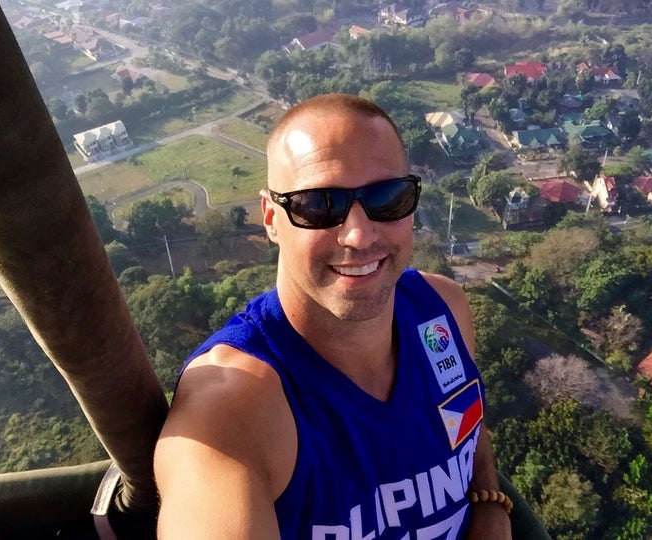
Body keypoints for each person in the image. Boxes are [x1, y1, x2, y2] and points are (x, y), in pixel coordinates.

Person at [155, 93, 512, 539]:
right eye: (318, 204)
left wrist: (490, 507)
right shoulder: (234, 405)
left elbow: (468, 427)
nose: (360, 235)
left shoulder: (442, 311)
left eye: (387, 197)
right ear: (270, 217)